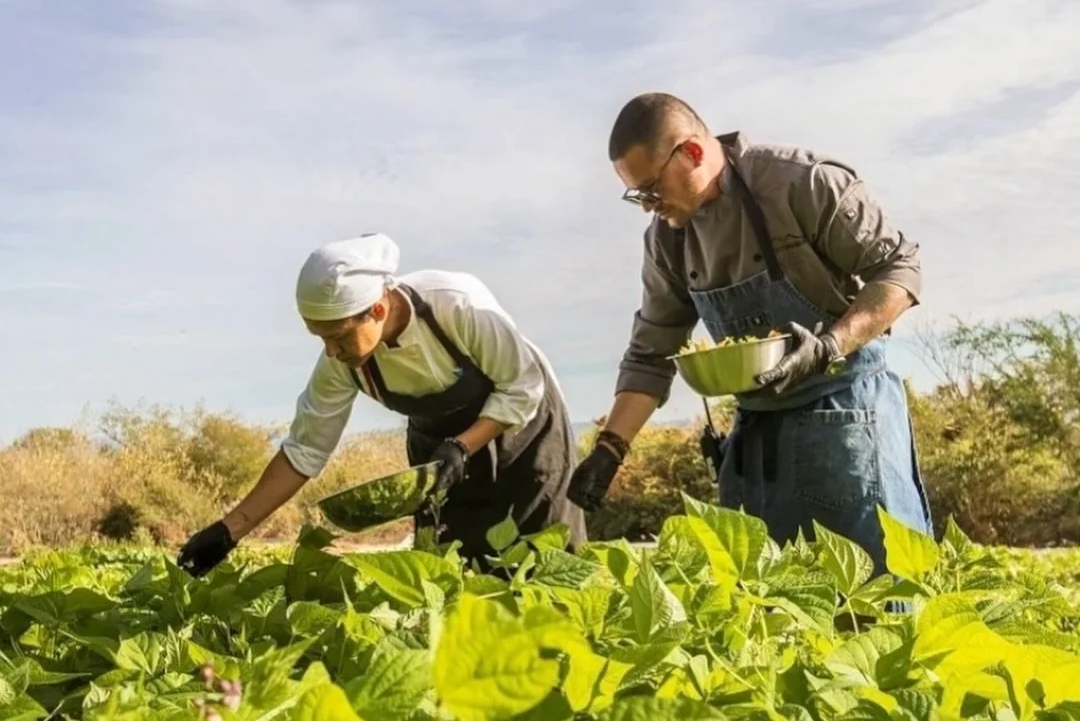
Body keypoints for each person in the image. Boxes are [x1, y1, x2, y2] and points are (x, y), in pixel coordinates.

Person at [568, 93, 931, 571]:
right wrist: (609, 451)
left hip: (844, 421)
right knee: (769, 614)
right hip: (759, 439)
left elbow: (899, 271)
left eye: (652, 190)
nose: (647, 207)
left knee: (877, 601)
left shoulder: (802, 181)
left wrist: (828, 346)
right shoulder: (667, 242)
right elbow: (652, 353)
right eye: (638, 195)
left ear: (693, 153)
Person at [177, 234, 584, 574]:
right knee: (448, 571)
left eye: (338, 337)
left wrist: (463, 445)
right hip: (440, 451)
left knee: (542, 563)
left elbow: (521, 387)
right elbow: (304, 451)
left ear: (376, 309)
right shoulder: (342, 363)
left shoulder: (456, 305)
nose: (331, 352)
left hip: (526, 434)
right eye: (321, 339)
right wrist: (229, 531)